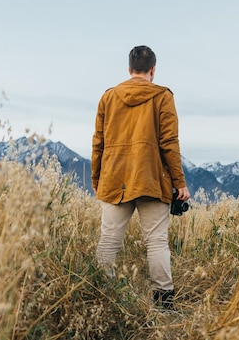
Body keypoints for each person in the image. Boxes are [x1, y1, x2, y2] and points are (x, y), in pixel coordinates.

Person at [91, 45, 190, 309]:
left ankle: (105, 299)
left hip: (113, 178)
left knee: (108, 242)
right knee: (156, 242)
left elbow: (98, 142)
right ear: (153, 70)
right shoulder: (163, 96)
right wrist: (179, 183)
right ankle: (164, 304)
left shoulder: (108, 97)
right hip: (151, 179)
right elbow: (169, 142)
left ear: (129, 69)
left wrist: (97, 178)